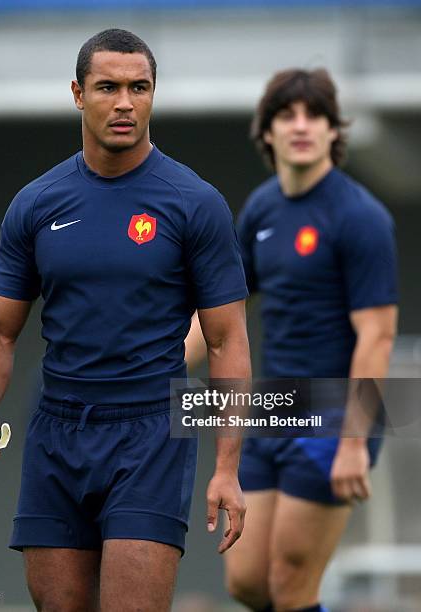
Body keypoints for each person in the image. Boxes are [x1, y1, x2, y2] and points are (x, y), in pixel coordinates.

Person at [0, 29, 250, 612]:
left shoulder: (194, 202)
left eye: (139, 88)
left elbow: (226, 340)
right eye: (108, 87)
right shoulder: (37, 204)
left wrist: (227, 467)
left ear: (153, 95)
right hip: (56, 432)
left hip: (148, 433)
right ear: (77, 93)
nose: (124, 102)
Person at [186, 68, 398, 612]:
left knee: (290, 583)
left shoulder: (360, 217)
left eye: (315, 115)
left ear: (333, 130)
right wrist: (154, 364)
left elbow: (376, 333)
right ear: (268, 131)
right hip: (273, 411)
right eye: (288, 115)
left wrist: (354, 443)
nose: (301, 126)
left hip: (333, 415)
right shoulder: (261, 209)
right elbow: (222, 311)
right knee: (247, 584)